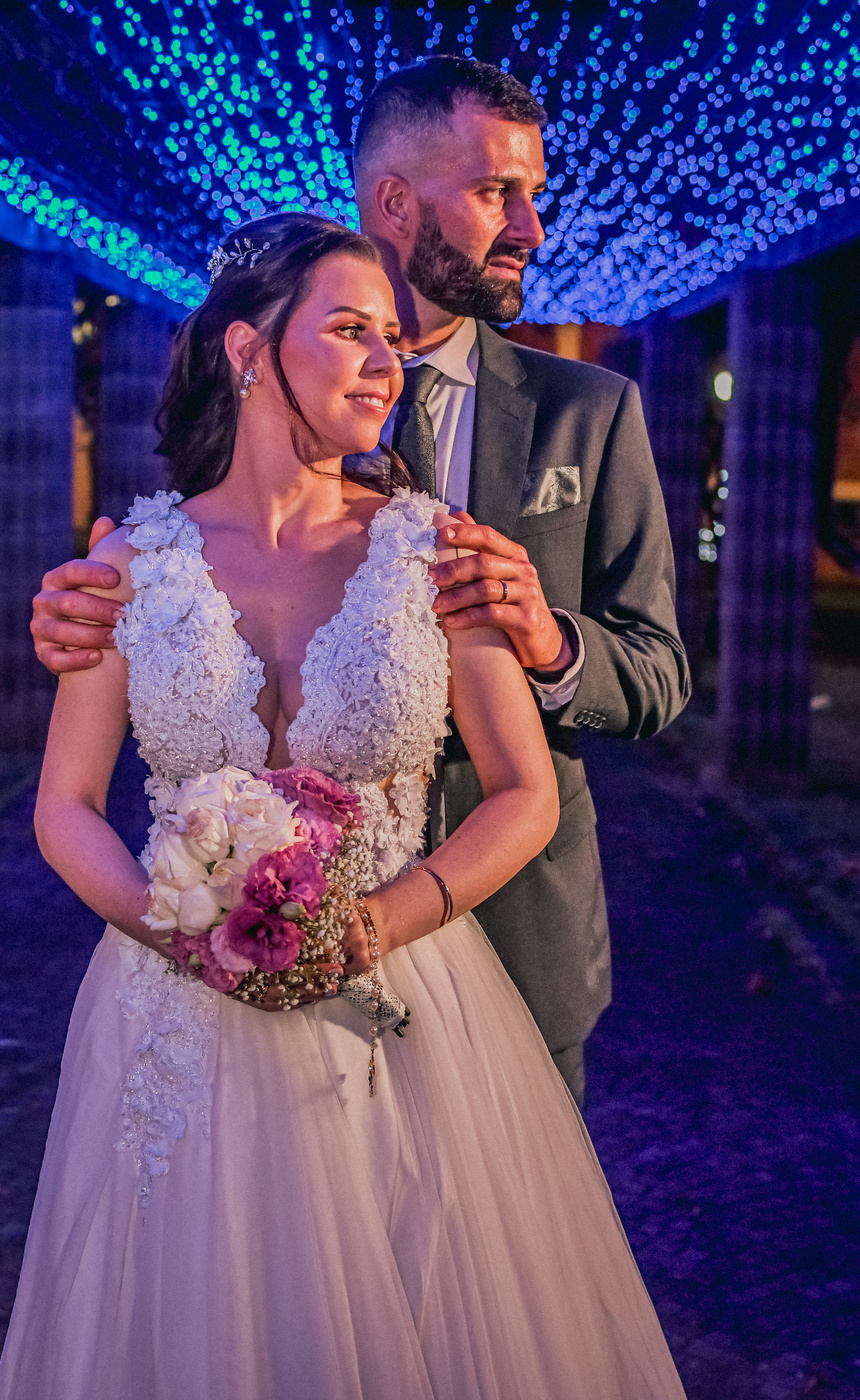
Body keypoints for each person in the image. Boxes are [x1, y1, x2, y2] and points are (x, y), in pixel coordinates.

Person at [1, 214, 686, 1400]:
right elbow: (63, 804)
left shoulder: (433, 553)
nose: (386, 361)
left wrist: (379, 920)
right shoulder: (129, 564)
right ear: (249, 349)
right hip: (173, 1013)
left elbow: (524, 793)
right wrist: (175, 929)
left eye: (391, 338)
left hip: (399, 987)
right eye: (352, 331)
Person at [30, 57, 690, 1104]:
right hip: (209, 988)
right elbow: (87, 767)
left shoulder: (587, 415)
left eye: (534, 194)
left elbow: (658, 670)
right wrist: (193, 922)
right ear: (395, 200)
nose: (532, 227)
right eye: (496, 192)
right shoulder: (164, 538)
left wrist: (547, 639)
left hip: (506, 934)